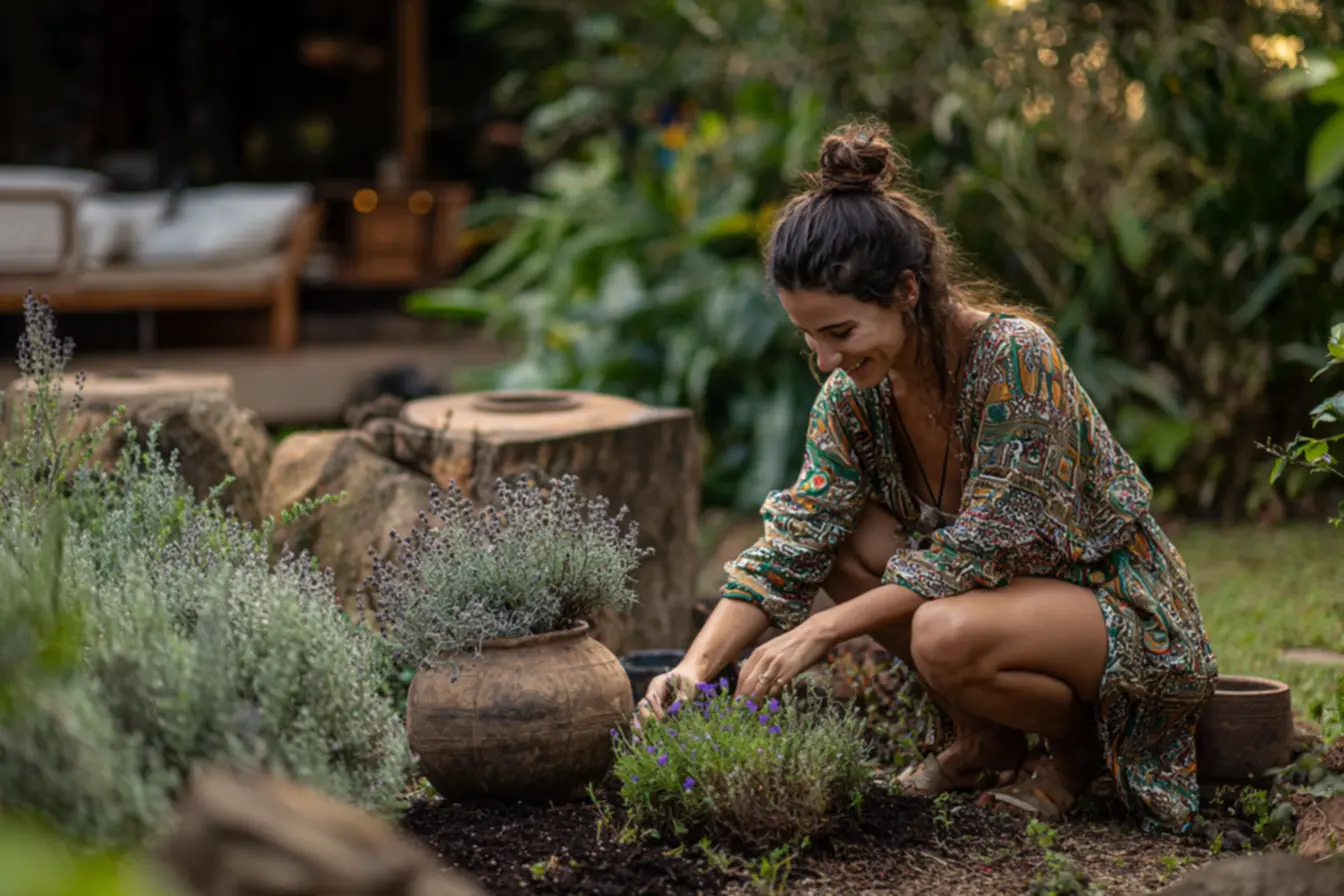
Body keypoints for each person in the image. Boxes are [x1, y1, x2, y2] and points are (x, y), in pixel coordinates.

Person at [637, 122, 1218, 834]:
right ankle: (984, 741)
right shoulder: (855, 399)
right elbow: (796, 539)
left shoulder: (1014, 357)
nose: (823, 359)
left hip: (1115, 603)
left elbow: (986, 545)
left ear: (907, 290)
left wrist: (819, 632)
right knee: (842, 537)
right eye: (808, 336)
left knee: (943, 631)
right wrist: (693, 671)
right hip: (996, 606)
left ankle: (1075, 757)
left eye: (841, 333)